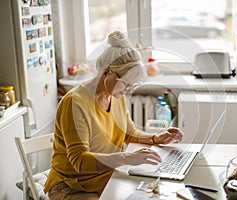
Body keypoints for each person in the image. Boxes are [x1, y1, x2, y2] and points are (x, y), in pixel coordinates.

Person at [44, 31, 184, 200]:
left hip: (105, 177)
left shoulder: (116, 96)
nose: (128, 90)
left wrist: (155, 138)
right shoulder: (75, 102)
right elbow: (79, 161)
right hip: (71, 185)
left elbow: (127, 132)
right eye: (126, 83)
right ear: (106, 72)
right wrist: (126, 158)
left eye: (132, 85)